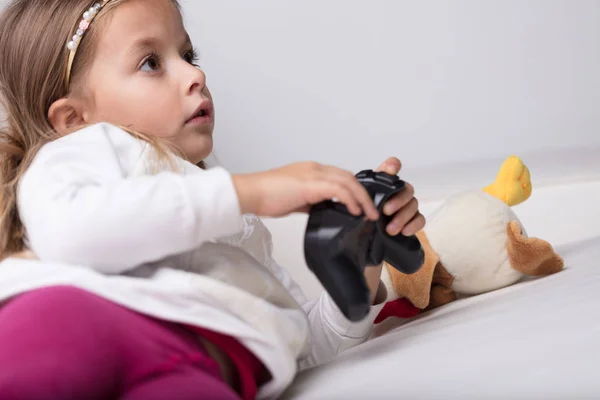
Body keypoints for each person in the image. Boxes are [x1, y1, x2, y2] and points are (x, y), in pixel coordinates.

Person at [0, 0, 425, 399]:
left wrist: (357, 261)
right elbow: (72, 234)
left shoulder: (232, 223)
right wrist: (251, 192)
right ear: (75, 119)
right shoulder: (86, 151)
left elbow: (301, 344)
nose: (194, 75)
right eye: (151, 62)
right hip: (67, 321)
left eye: (189, 55)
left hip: (203, 369)